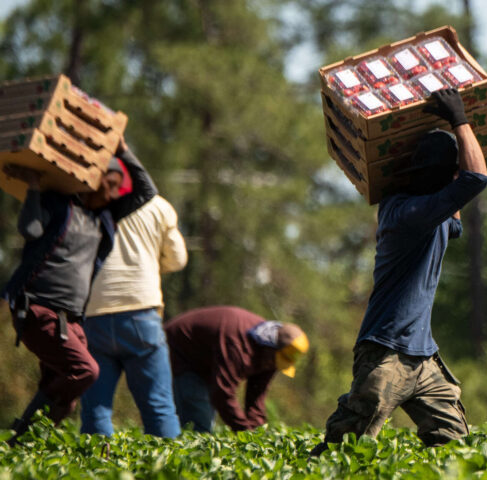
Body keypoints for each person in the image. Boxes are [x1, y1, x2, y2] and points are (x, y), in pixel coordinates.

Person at [311, 88, 487, 455]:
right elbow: (476, 180)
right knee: (346, 448)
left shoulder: (432, 212)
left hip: (422, 356)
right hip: (386, 354)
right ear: (443, 176)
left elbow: (459, 204)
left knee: (454, 443)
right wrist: (459, 119)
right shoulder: (406, 213)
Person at [2, 137, 157, 445]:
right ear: (90, 180)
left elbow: (146, 191)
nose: (113, 193)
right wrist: (34, 187)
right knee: (84, 371)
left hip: (71, 320)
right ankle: (20, 441)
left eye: (117, 187)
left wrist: (123, 150)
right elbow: (30, 231)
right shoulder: (59, 205)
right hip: (37, 309)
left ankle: (25, 449)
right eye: (109, 184)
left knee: (65, 393)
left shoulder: (105, 219)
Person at [79, 193, 188, 438]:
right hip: (140, 312)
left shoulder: (86, 201)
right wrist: (151, 264)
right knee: (158, 407)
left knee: (96, 409)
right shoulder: (158, 205)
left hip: (94, 312)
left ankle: (95, 471)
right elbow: (178, 259)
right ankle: (167, 472)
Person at [164, 306, 309, 432]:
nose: (274, 366)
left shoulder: (270, 357)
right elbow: (222, 393)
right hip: (179, 351)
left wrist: (257, 434)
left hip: (206, 362)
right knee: (198, 423)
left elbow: (256, 397)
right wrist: (244, 431)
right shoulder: (238, 345)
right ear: (270, 346)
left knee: (205, 421)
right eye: (276, 360)